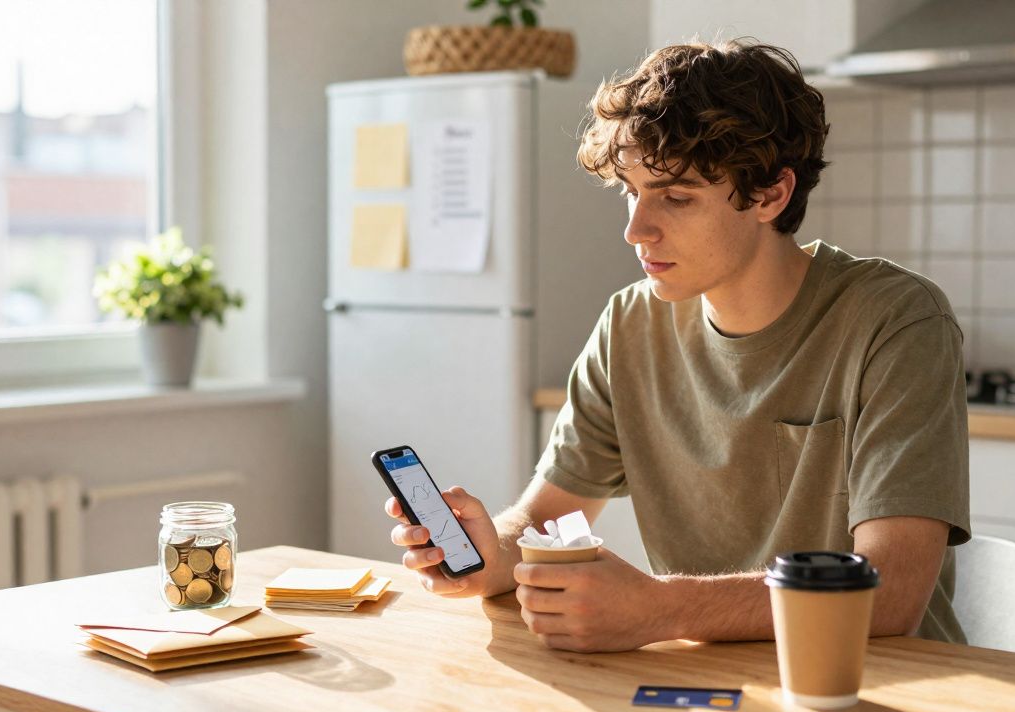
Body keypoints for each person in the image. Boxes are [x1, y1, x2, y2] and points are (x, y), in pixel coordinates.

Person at [385, 39, 970, 653]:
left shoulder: (896, 320)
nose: (636, 229)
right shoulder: (628, 325)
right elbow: (546, 519)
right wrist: (491, 551)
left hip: (880, 684)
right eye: (631, 192)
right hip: (706, 682)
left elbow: (893, 591)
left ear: (771, 194)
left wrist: (660, 608)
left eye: (677, 196)